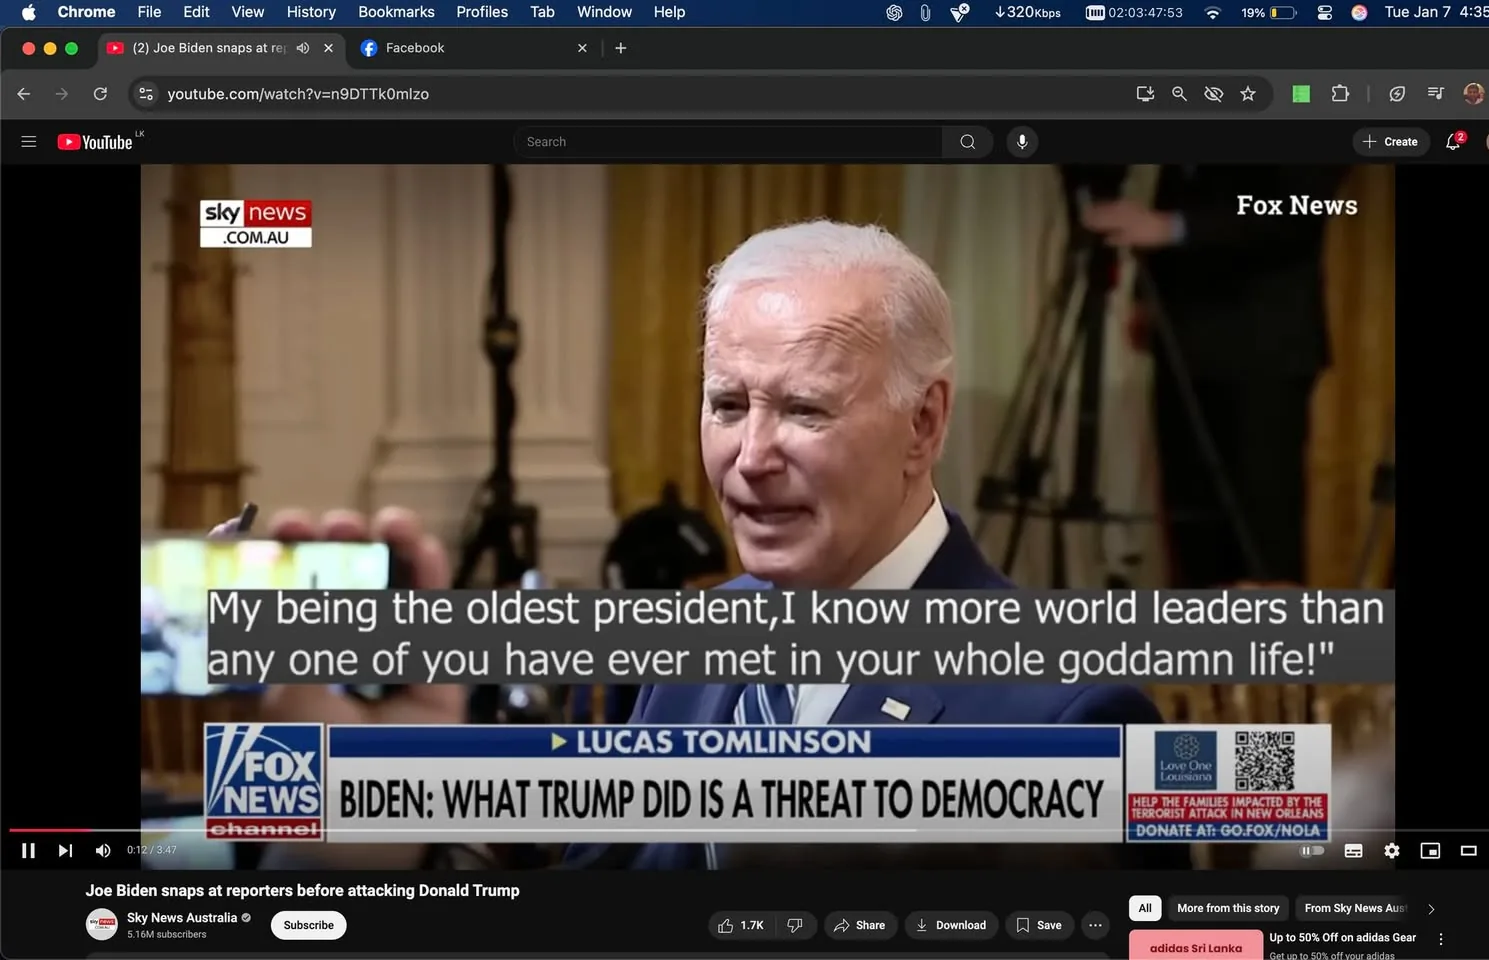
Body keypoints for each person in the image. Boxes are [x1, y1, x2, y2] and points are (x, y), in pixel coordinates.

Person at [249, 220, 1169, 871]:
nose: (750, 457)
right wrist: (408, 833)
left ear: (923, 424)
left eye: (804, 409)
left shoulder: (1067, 720)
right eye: (727, 405)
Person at [1080, 166, 1348, 587]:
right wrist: (1146, 296)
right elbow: (1179, 184)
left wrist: (1172, 228)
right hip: (1181, 338)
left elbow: (1300, 209)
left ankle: (1276, 651)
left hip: (1263, 347)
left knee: (1260, 536)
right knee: (1192, 533)